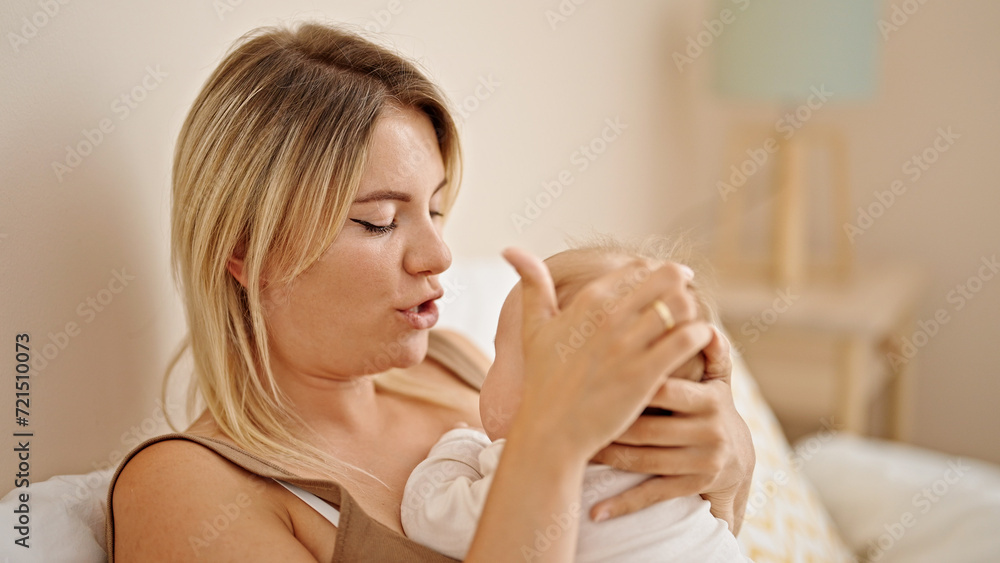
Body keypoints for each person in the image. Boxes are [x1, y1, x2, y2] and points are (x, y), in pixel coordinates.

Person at [105, 23, 754, 562]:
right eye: (379, 221)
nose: (438, 254)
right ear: (247, 251)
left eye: (436, 211)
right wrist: (549, 443)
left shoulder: (461, 364)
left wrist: (728, 471)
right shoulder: (182, 490)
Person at [402, 242, 751, 562]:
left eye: (499, 354)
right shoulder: (679, 481)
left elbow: (428, 515)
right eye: (377, 221)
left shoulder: (518, 468)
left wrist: (461, 444)